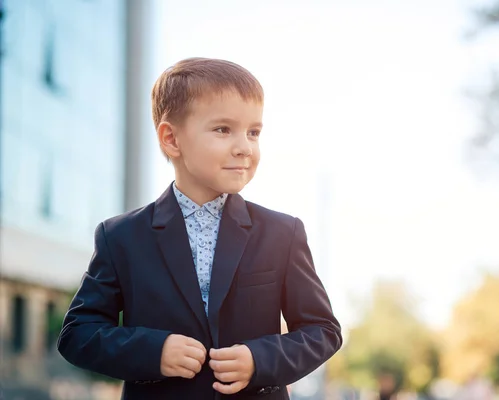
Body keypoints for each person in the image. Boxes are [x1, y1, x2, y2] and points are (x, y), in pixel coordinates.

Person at [57, 57, 342, 399]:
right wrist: (154, 351)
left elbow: (323, 330)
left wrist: (259, 359)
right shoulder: (121, 237)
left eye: (253, 132)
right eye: (223, 129)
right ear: (171, 139)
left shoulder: (283, 232)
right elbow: (78, 334)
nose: (244, 146)